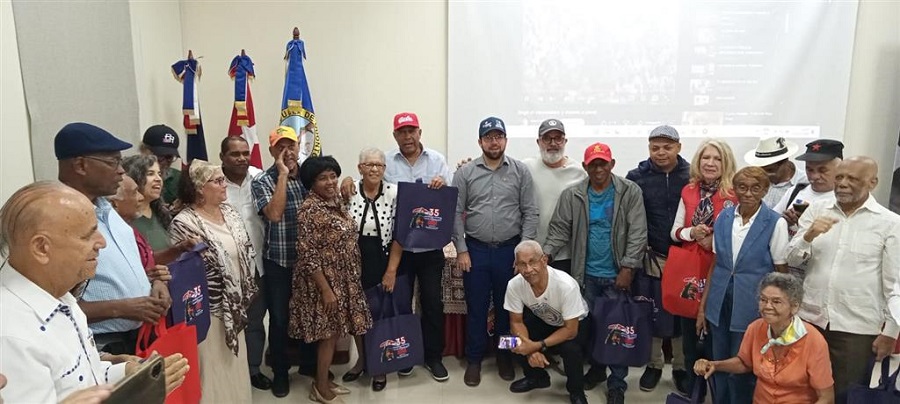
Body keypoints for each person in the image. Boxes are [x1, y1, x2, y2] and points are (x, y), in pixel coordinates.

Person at [0, 181, 189, 402]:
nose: (101, 243)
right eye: (86, 236)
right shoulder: (12, 335)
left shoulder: (59, 298)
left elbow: (82, 379)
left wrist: (127, 373)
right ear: (42, 248)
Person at [339, 112, 453, 381]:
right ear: (395, 136)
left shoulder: (437, 161)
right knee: (400, 305)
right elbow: (363, 181)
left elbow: (449, 198)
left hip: (429, 249)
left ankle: (433, 356)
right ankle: (406, 355)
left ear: (420, 133)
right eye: (402, 132)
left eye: (412, 131)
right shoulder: (386, 160)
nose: (407, 136)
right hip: (398, 250)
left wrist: (443, 184)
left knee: (432, 303)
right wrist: (345, 180)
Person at [787, 156, 900, 402]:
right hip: (810, 320)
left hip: (856, 329)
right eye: (840, 177)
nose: (843, 183)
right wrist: (809, 235)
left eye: (853, 179)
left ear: (872, 182)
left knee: (844, 396)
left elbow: (896, 283)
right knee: (801, 390)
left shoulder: (890, 223)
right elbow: (792, 259)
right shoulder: (817, 210)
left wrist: (891, 332)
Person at [543, 142, 647, 404]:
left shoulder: (629, 191)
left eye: (603, 163)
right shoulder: (573, 195)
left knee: (617, 330)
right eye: (593, 164)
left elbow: (637, 233)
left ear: (612, 164)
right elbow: (558, 230)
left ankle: (617, 384)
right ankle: (597, 371)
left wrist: (627, 268)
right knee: (586, 330)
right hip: (584, 276)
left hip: (617, 275)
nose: (598, 168)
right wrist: (545, 255)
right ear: (585, 167)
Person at [55, 122, 171, 354]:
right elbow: (54, 308)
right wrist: (121, 308)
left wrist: (155, 282)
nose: (121, 170)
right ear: (80, 165)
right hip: (100, 345)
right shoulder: (58, 219)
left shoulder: (108, 209)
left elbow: (129, 268)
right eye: (112, 162)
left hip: (137, 338)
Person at [453, 116, 539, 387]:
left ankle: (505, 355)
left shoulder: (520, 171)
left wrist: (523, 253)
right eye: (488, 137)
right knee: (477, 308)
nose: (494, 141)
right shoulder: (465, 173)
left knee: (509, 308)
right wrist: (462, 249)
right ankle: (475, 359)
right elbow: (455, 212)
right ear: (480, 142)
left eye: (498, 136)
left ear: (505, 140)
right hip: (476, 250)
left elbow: (530, 211)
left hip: (509, 252)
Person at [698, 166, 790, 404]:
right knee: (718, 359)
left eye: (755, 188)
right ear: (734, 189)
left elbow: (781, 271)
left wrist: (783, 312)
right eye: (742, 187)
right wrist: (703, 307)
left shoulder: (774, 223)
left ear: (765, 190)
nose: (748, 193)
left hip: (752, 303)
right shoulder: (724, 217)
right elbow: (716, 263)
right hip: (719, 300)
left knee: (744, 362)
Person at [169, 160, 258, 403]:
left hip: (235, 307)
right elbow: (187, 276)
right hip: (208, 312)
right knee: (212, 371)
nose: (224, 185)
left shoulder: (229, 212)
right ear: (199, 187)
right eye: (218, 181)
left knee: (234, 368)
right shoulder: (184, 223)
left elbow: (244, 251)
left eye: (223, 180)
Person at [291, 156, 373, 404]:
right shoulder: (309, 210)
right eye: (322, 178)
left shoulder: (334, 199)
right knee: (328, 334)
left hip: (345, 276)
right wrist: (326, 290)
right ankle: (321, 387)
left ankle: (324, 380)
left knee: (337, 330)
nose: (330, 182)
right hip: (323, 282)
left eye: (333, 176)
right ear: (311, 183)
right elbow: (308, 254)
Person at [694, 273, 834, 403]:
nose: (767, 306)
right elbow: (744, 363)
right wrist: (714, 365)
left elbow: (826, 398)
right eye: (763, 300)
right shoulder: (755, 328)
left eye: (776, 301)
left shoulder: (813, 340)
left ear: (794, 307)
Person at [251, 126, 318, 397]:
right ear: (271, 152)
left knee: (311, 314)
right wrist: (281, 175)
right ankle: (280, 373)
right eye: (281, 147)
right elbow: (274, 214)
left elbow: (331, 190)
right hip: (278, 262)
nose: (287, 152)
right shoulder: (263, 180)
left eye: (291, 146)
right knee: (279, 320)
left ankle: (309, 365)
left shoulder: (308, 175)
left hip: (309, 263)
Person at [669, 138, 738, 397]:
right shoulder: (688, 190)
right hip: (689, 272)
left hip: (719, 272)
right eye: (706, 158)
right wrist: (692, 233)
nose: (710, 163)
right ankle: (693, 393)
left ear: (726, 162)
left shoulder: (735, 194)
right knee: (690, 339)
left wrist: (714, 241)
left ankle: (718, 394)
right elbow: (675, 231)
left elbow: (739, 235)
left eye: (717, 158)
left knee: (716, 340)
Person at [625, 125, 690, 393]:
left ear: (678, 147)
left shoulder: (692, 175)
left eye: (667, 147)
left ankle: (680, 367)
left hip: (685, 256)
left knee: (681, 313)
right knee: (650, 311)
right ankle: (653, 365)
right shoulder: (635, 177)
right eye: (655, 147)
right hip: (649, 257)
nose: (661, 152)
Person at [504, 240, 590, 404]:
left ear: (544, 260)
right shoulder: (514, 285)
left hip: (576, 323)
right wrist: (530, 350)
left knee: (570, 349)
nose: (528, 270)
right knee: (508, 341)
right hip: (545, 320)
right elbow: (516, 322)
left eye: (532, 262)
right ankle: (537, 378)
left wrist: (536, 346)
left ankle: (576, 391)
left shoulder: (566, 285)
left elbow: (571, 330)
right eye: (522, 264)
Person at [342, 148, 400, 391]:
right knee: (358, 314)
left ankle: (380, 365)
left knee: (379, 316)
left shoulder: (394, 193)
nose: (374, 169)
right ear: (360, 168)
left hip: (383, 258)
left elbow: (400, 235)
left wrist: (391, 271)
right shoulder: (349, 191)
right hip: (354, 259)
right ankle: (362, 360)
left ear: (385, 170)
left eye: (379, 165)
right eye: (369, 164)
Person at [220, 136, 270, 390]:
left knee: (255, 320)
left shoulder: (259, 178)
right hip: (225, 270)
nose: (241, 158)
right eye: (234, 154)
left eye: (244, 153)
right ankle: (229, 373)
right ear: (222, 157)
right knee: (226, 323)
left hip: (258, 264)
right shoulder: (213, 183)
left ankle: (253, 369)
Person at [522, 118, 587, 273]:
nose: (552, 143)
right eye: (547, 138)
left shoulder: (579, 172)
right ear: (538, 142)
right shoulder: (525, 167)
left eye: (558, 138)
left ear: (565, 141)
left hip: (566, 254)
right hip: (532, 252)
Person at [771, 139, 843, 277]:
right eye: (809, 170)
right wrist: (783, 222)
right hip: (788, 272)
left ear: (840, 168)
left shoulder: (843, 200)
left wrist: (807, 227)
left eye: (823, 170)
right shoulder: (796, 191)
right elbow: (770, 222)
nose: (814, 176)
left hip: (819, 275)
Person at [108, 174, 181, 283]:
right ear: (115, 203)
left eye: (159, 173)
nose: (140, 197)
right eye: (134, 193)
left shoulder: (131, 231)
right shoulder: (106, 239)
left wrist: (155, 280)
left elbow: (148, 262)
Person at [122, 155, 186, 260]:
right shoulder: (125, 219)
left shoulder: (162, 214)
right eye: (150, 174)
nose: (158, 179)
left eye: (159, 174)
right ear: (134, 178)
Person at [743, 136, 805, 208]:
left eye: (770, 170)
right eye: (761, 169)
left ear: (785, 162)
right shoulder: (753, 180)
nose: (764, 174)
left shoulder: (805, 183)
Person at [140, 124, 182, 205]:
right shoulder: (130, 177)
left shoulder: (178, 178)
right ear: (144, 151)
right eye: (160, 157)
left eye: (169, 157)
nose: (165, 162)